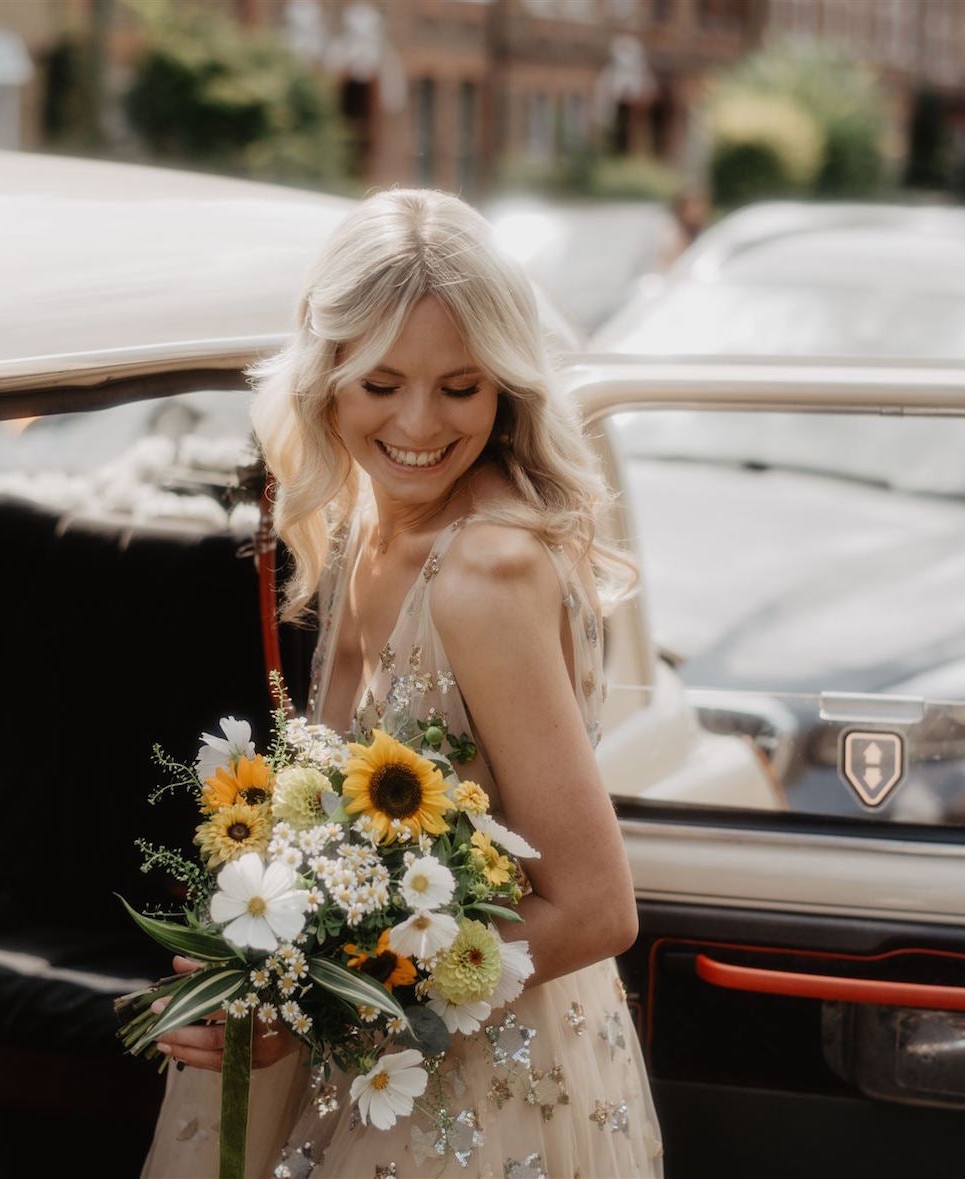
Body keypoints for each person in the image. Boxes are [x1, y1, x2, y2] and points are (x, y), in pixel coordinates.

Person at [138, 188, 662, 1177]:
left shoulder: (484, 571)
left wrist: (322, 1003)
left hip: (478, 1078)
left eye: (460, 388)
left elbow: (595, 907)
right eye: (381, 383)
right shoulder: (361, 518)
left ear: (506, 387)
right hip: (370, 1030)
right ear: (325, 377)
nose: (418, 425)